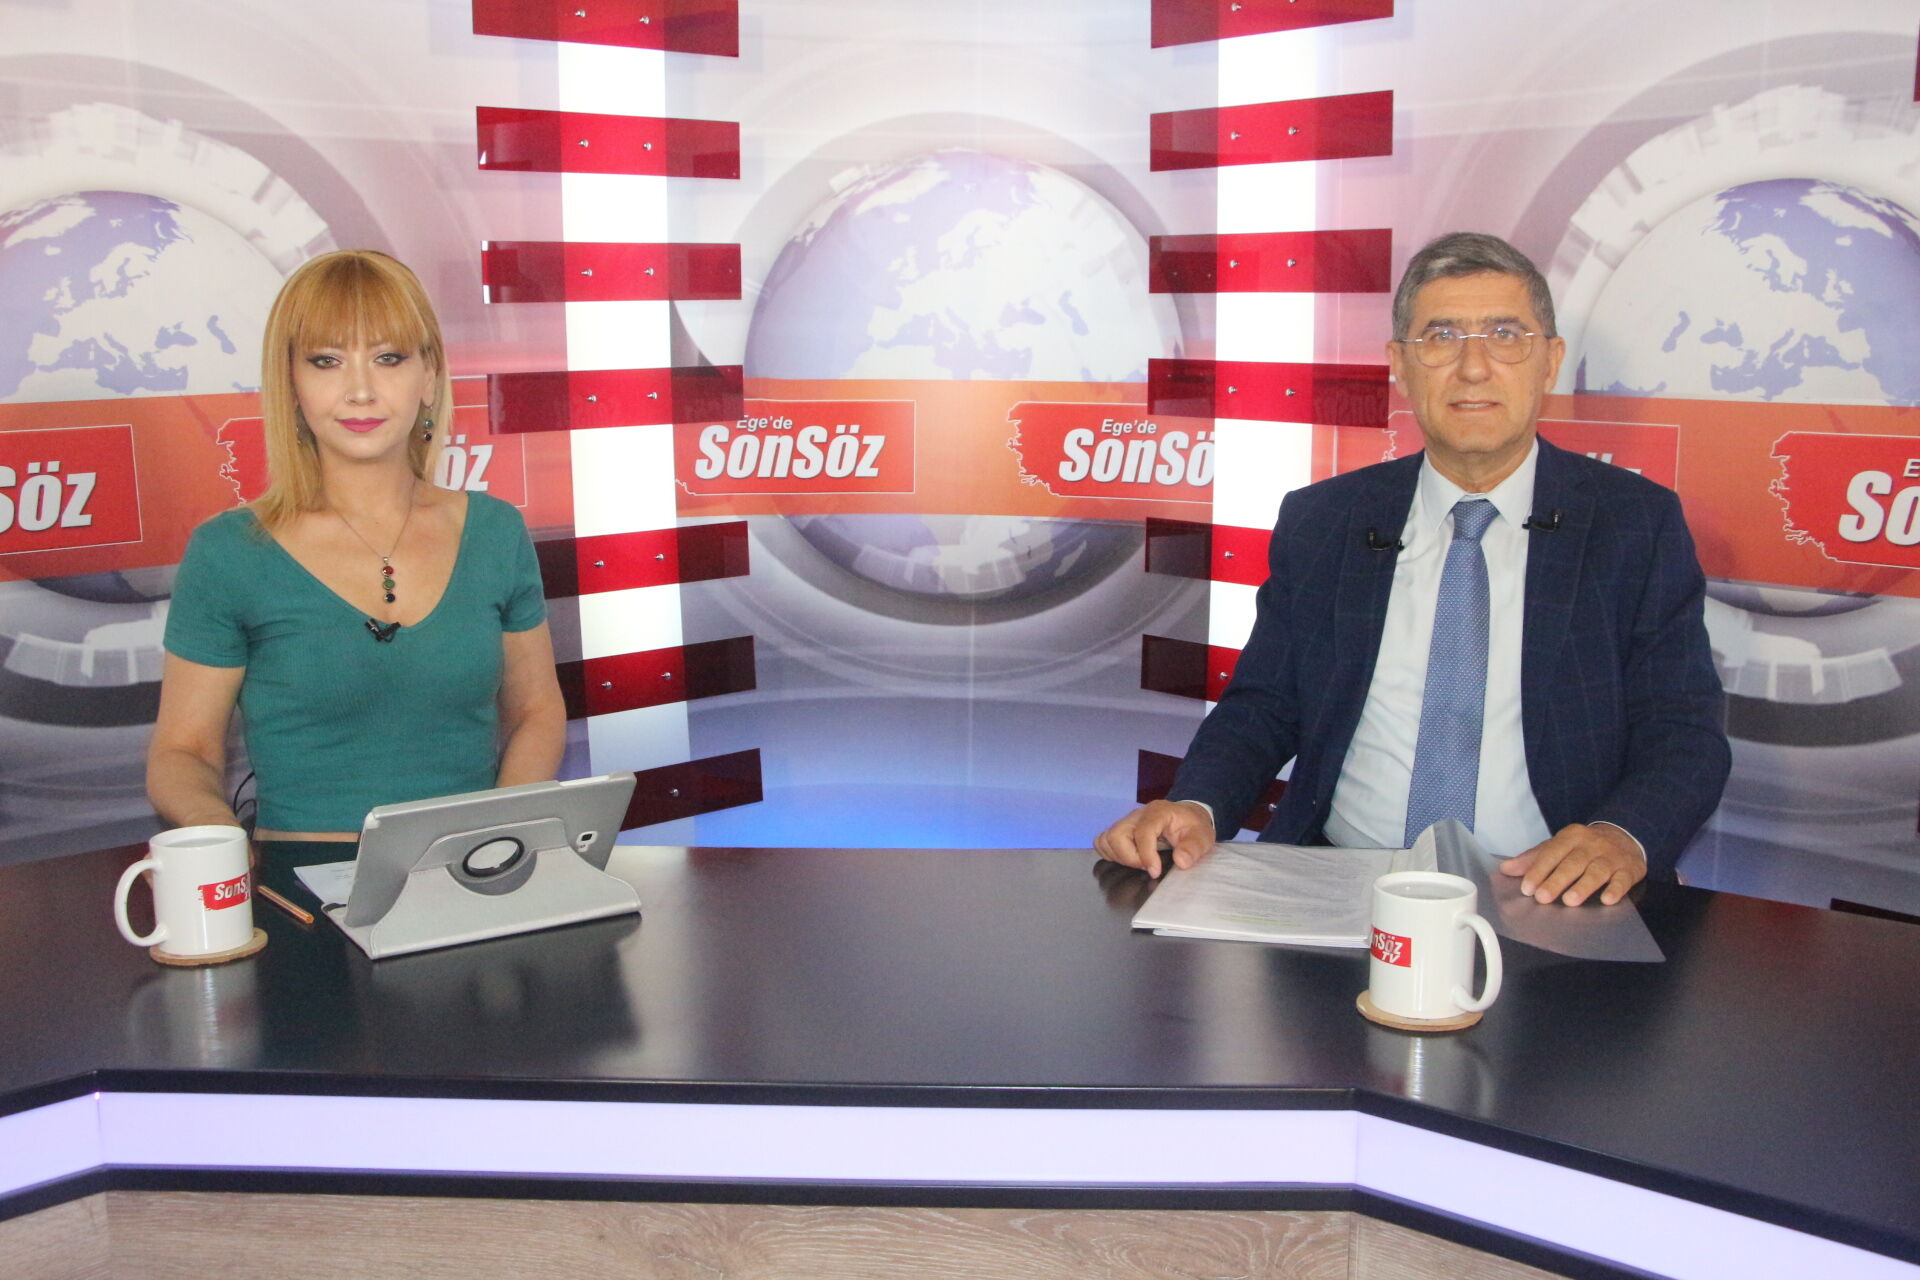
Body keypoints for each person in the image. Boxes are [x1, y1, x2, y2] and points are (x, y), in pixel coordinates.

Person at [1096, 232, 1728, 907]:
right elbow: (1265, 706)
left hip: (1547, 894)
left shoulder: (1634, 525)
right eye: (1441, 336)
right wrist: (1196, 803)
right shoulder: (1325, 521)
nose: (1474, 367)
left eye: (1505, 335)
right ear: (1399, 364)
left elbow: (1683, 733)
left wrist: (1621, 835)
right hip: (1338, 882)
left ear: (1550, 362)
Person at [146, 250, 565, 854]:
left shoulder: (496, 531)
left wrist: (497, 841)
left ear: (429, 376)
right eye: (327, 361)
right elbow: (182, 751)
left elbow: (536, 713)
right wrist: (218, 839)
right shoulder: (230, 552)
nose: (361, 390)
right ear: (291, 382)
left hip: (472, 875)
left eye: (388, 358)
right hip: (299, 883)